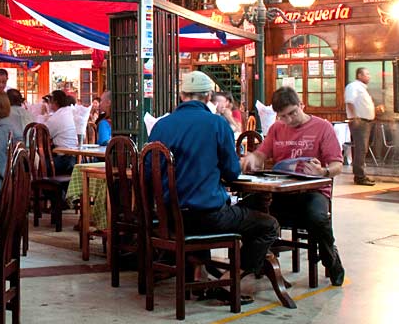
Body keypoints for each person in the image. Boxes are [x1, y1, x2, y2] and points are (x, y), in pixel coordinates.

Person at [149, 71, 279, 292]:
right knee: (268, 225)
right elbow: (231, 174)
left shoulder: (162, 125)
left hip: (169, 217)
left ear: (182, 95)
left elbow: (149, 172)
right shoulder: (216, 124)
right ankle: (227, 282)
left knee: (215, 208)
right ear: (208, 96)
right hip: (207, 217)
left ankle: (201, 273)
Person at [241, 86, 345, 286]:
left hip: (313, 191)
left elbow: (337, 165)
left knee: (317, 218)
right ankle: (256, 261)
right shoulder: (277, 129)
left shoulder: (323, 127)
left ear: (301, 105)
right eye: (283, 116)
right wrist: (253, 158)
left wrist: (323, 172)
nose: (289, 120)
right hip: (281, 193)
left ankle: (330, 257)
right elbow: (262, 153)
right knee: (243, 212)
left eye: (293, 113)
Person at [344, 67, 380, 186]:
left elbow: (362, 106)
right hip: (360, 122)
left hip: (366, 122)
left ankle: (361, 174)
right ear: (359, 75)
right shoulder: (354, 86)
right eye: (367, 74)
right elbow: (349, 101)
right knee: (361, 149)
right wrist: (355, 118)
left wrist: (375, 110)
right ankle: (359, 176)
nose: (369, 76)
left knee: (363, 149)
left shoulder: (362, 89)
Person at [46, 89, 77, 174]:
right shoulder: (71, 111)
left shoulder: (56, 117)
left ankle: (42, 186)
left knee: (36, 165)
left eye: (50, 101)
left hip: (65, 160)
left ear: (54, 102)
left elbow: (44, 136)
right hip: (78, 158)